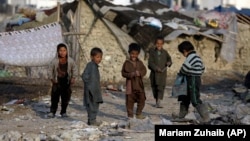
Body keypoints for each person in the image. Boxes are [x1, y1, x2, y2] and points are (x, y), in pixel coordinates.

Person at [177, 40, 210, 123]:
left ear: (184, 51)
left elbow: (184, 68)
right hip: (196, 78)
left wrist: (181, 74)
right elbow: (202, 68)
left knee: (195, 99)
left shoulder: (190, 57)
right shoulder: (198, 57)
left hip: (192, 79)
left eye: (182, 53)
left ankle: (205, 117)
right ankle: (181, 116)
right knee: (185, 97)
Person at [48, 43, 78, 118]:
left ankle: (63, 111)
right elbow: (50, 70)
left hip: (66, 82)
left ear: (67, 51)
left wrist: (73, 78)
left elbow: (74, 69)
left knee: (65, 98)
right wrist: (52, 79)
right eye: (60, 50)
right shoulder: (54, 61)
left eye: (64, 50)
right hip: (57, 82)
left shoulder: (70, 61)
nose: (62, 52)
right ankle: (52, 111)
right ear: (57, 51)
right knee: (54, 98)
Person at [121, 43, 147, 119]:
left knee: (142, 99)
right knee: (129, 102)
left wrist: (140, 73)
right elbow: (123, 73)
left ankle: (138, 113)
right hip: (130, 86)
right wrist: (130, 74)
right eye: (132, 54)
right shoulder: (126, 63)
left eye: (136, 54)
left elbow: (144, 70)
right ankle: (130, 116)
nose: (134, 56)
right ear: (129, 53)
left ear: (138, 54)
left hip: (139, 85)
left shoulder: (140, 63)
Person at [148, 36, 172, 108]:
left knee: (161, 87)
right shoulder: (152, 52)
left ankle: (159, 101)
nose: (159, 45)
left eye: (160, 44)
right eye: (157, 43)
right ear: (155, 43)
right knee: (154, 87)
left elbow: (169, 59)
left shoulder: (165, 52)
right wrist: (156, 68)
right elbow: (150, 62)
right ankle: (156, 100)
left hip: (162, 73)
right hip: (154, 74)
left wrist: (169, 62)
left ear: (163, 44)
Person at [82, 47, 103, 126]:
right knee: (92, 106)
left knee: (95, 105)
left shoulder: (94, 66)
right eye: (97, 57)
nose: (99, 59)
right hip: (91, 90)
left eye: (100, 57)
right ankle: (92, 121)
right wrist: (89, 85)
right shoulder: (90, 65)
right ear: (92, 57)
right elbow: (84, 76)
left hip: (95, 90)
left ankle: (91, 120)